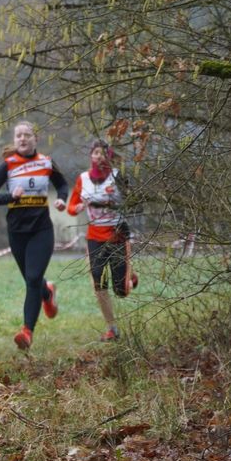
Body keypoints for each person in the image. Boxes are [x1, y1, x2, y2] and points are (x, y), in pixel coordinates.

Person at [0, 120, 69, 350]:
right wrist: (11, 196)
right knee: (32, 280)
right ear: (15, 140)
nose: (22, 139)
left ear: (35, 139)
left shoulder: (47, 162)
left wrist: (62, 199)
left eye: (27, 135)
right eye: (18, 136)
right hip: (17, 232)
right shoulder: (8, 165)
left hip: (41, 230)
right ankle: (47, 292)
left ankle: (27, 332)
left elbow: (62, 185)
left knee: (32, 279)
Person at [66, 139, 138, 341]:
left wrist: (118, 200)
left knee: (121, 291)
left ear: (109, 156)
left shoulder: (117, 176)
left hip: (117, 235)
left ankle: (130, 275)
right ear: (91, 155)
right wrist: (77, 208)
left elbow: (133, 201)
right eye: (95, 153)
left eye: (102, 153)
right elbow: (72, 207)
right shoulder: (83, 179)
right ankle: (111, 328)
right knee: (98, 280)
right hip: (94, 236)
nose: (98, 156)